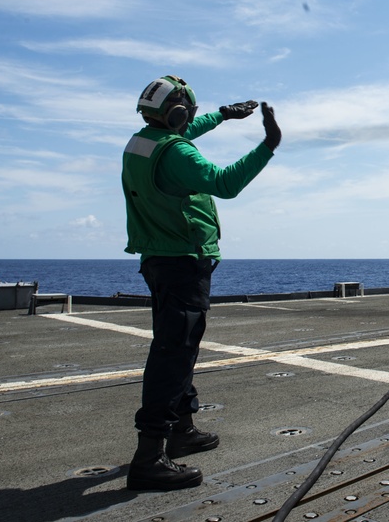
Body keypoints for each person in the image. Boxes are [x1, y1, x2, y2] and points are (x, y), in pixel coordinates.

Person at [121, 74, 281, 491]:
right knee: (173, 354)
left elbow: (184, 132)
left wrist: (224, 116)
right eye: (188, 110)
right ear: (176, 112)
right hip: (182, 262)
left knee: (180, 347)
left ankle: (182, 429)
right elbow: (225, 183)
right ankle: (149, 455)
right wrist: (268, 146)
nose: (191, 117)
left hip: (159, 257)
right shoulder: (176, 154)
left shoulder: (144, 141)